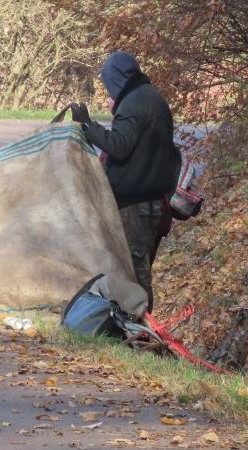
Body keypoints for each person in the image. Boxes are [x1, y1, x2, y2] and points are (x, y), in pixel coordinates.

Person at [71, 51, 181, 312]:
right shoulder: (154, 98)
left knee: (134, 269)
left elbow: (119, 146)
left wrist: (88, 125)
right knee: (139, 264)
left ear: (117, 79)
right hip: (153, 200)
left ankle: (140, 327)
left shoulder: (133, 104)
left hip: (135, 203)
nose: (108, 90)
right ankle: (135, 322)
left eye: (108, 83)